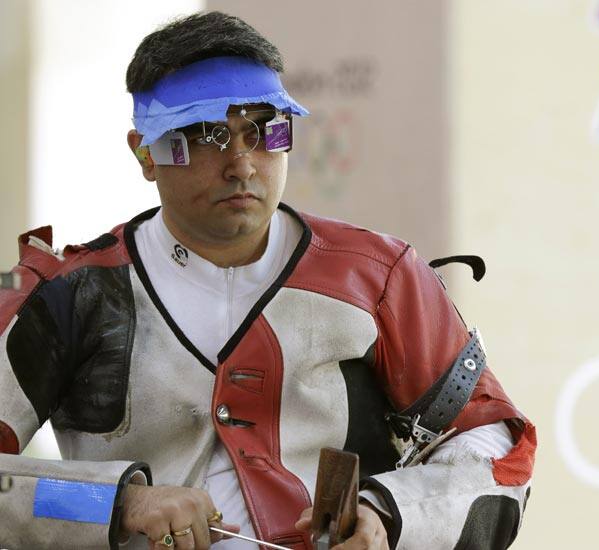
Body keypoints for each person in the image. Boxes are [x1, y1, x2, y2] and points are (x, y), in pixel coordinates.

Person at [0, 12, 535, 550]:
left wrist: (389, 514)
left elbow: (496, 447)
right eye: (206, 136)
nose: (241, 164)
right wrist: (116, 503)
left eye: (263, 131)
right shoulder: (66, 295)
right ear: (145, 152)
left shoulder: (379, 277)